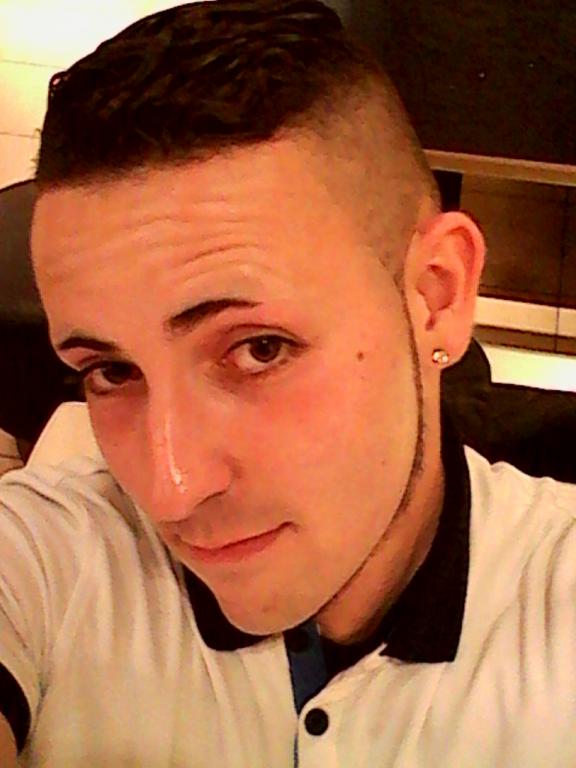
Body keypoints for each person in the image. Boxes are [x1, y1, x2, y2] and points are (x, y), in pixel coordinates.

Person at [1, 1, 575, 765]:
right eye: (111, 372)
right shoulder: (43, 562)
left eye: (259, 349)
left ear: (435, 295)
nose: (172, 489)